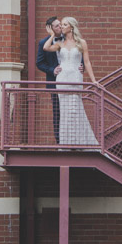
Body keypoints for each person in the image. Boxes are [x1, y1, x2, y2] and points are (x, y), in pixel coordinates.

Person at [43, 16, 97, 146]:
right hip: (62, 79)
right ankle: (66, 143)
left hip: (75, 78)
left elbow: (87, 62)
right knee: (65, 112)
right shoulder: (60, 43)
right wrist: (51, 35)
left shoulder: (81, 43)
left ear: (71, 27)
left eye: (64, 24)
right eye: (61, 25)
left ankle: (80, 142)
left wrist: (94, 80)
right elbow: (46, 48)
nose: (61, 27)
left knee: (75, 109)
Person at [36, 16, 63, 142]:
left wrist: (81, 66)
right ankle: (59, 139)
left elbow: (79, 55)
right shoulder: (44, 43)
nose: (60, 27)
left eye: (61, 24)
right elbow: (39, 63)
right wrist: (52, 70)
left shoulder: (69, 39)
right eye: (57, 26)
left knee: (72, 108)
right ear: (50, 29)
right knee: (57, 111)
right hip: (54, 83)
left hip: (70, 81)